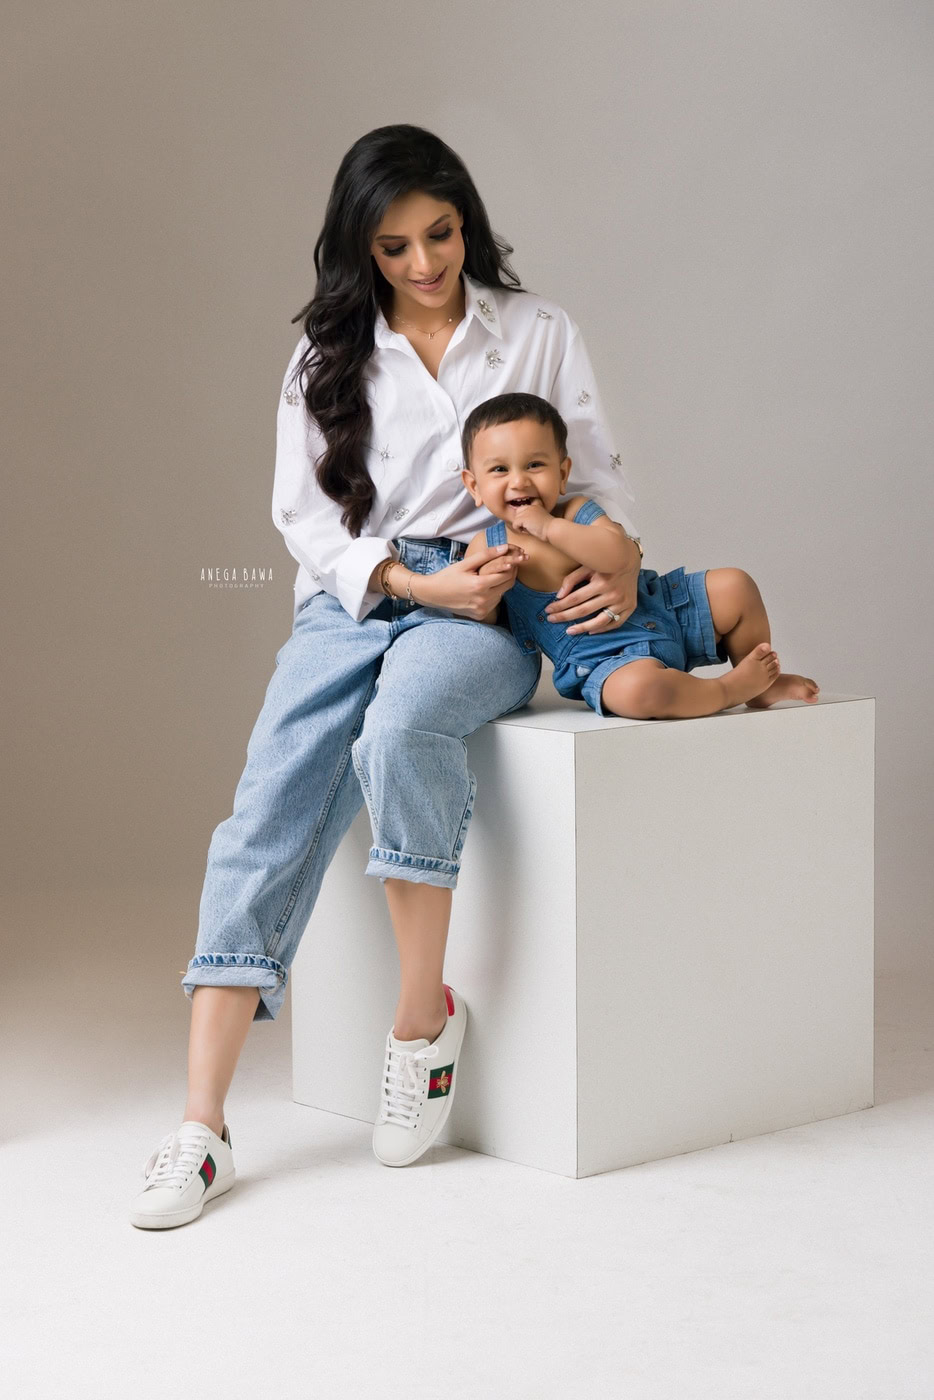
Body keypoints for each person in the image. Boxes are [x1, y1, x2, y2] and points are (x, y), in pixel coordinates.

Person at [129, 124, 644, 1229]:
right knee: (268, 804)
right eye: (395, 244)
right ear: (359, 247)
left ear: (469, 221)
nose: (422, 264)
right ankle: (200, 1127)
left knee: (403, 727)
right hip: (360, 594)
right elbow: (302, 518)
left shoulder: (539, 331)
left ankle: (421, 1024)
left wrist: (606, 565)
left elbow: (599, 483)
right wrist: (412, 588)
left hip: (494, 593)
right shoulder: (326, 351)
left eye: (441, 235)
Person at [460, 392, 820, 719]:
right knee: (641, 694)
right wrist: (488, 591)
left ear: (562, 474)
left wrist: (548, 527)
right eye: (500, 470)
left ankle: (763, 683)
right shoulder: (487, 547)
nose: (519, 481)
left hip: (662, 607)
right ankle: (728, 689)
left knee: (736, 585)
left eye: (535, 465)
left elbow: (618, 555)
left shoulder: (576, 512)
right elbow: (482, 613)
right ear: (474, 486)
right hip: (607, 660)